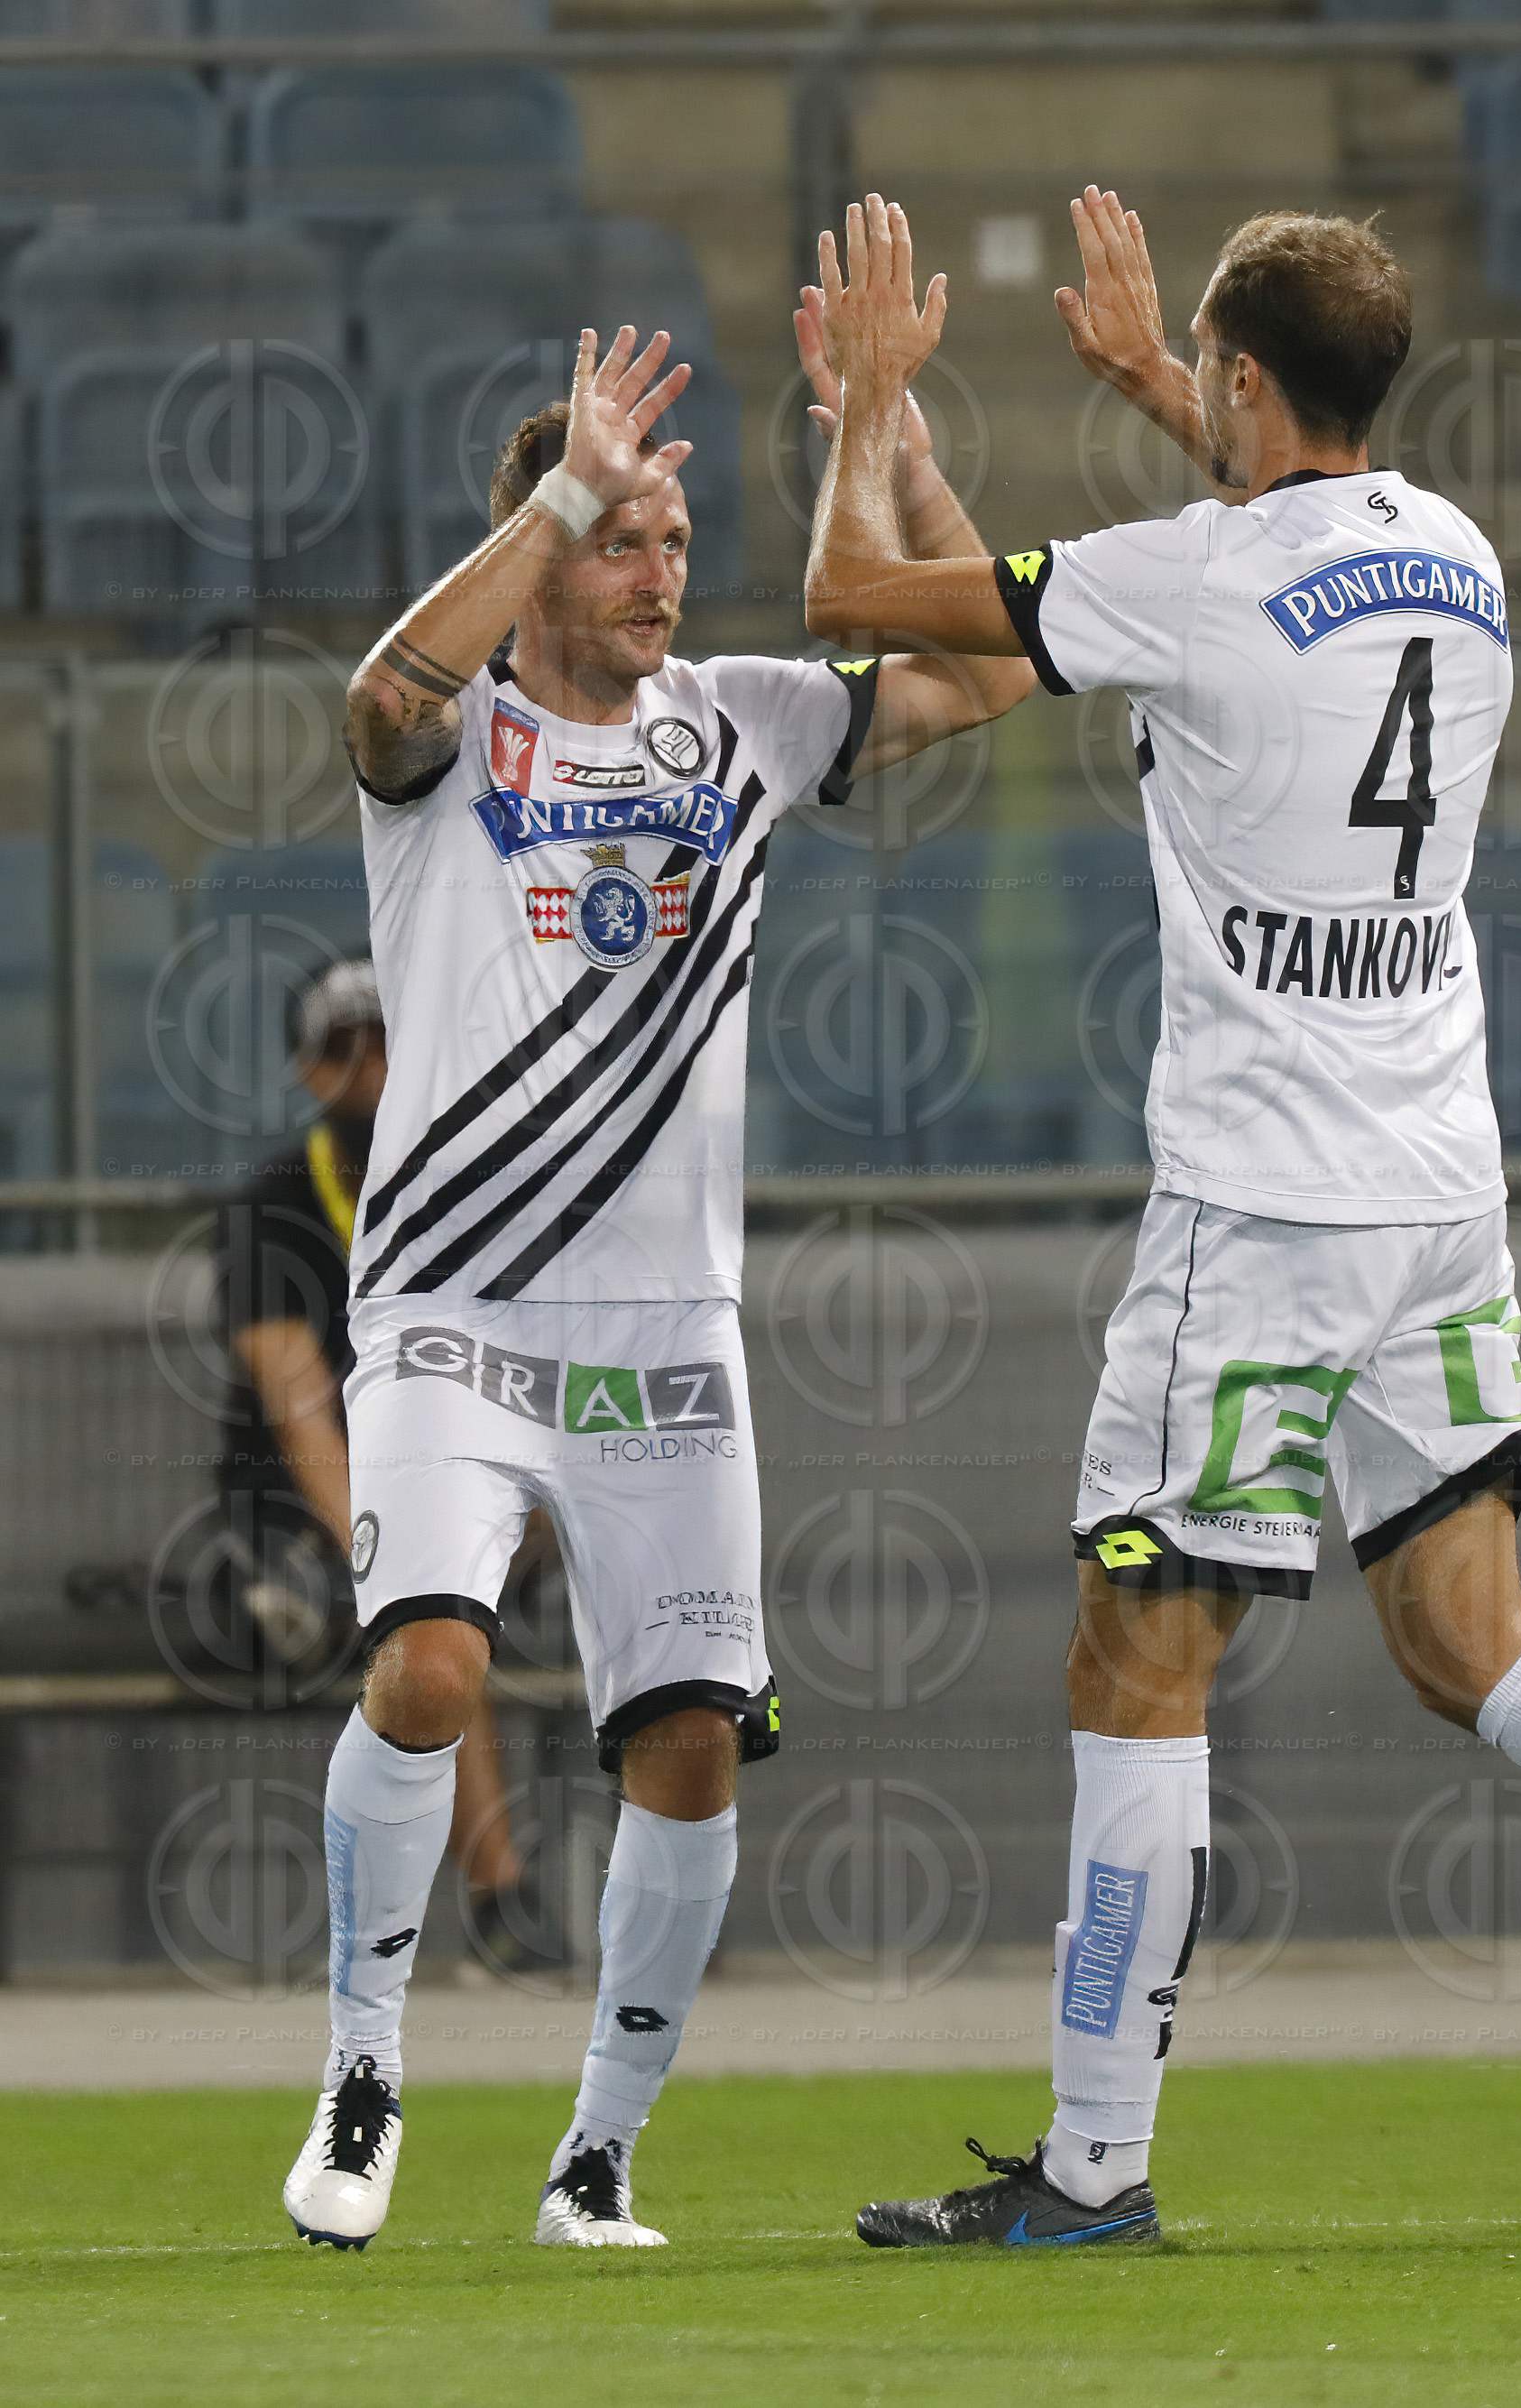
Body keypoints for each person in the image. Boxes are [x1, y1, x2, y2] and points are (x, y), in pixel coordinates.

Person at [800, 189, 1521, 2248]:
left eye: (1201, 377)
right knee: (1471, 1634)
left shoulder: (1199, 578)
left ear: (1240, 385)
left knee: (1138, 1646)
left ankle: (1094, 2166)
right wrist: (1153, 373)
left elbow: (858, 591)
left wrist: (868, 400)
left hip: (1261, 1201)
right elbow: (1288, 528)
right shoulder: (1460, 559)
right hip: (1436, 1187)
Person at [281, 318, 1033, 2252]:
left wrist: (895, 441)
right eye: (623, 539)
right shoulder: (449, 747)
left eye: (675, 538)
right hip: (456, 1299)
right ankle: (366, 2063)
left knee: (687, 1743)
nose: (659, 570)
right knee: (434, 1661)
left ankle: (596, 2151)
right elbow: (375, 698)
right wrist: (552, 494)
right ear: (545, 554)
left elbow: (999, 662)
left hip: (663, 1339)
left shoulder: (749, 723)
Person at [217, 960, 557, 1976]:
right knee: (431, 1618)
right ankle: (501, 1902)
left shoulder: (469, 1194)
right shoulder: (273, 1204)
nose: (370, 1070)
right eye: (343, 1050)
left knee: (603, 1589)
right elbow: (300, 1405)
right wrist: (383, 1543)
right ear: (306, 1071)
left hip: (453, 1498)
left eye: (385, 1044)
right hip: (287, 1531)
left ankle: (658, 1908)